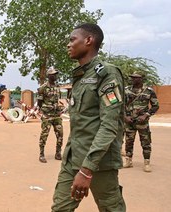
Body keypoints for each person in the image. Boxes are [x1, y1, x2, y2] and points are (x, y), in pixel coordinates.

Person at [51, 23, 126, 211]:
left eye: (72, 40)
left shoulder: (107, 74)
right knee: (60, 208)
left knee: (111, 209)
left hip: (98, 163)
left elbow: (110, 126)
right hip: (73, 158)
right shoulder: (80, 75)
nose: (68, 44)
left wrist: (86, 169)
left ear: (88, 40)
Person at [123, 72, 159, 172]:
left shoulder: (149, 91)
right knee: (129, 142)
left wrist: (146, 115)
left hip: (142, 122)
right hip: (129, 121)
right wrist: (125, 117)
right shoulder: (126, 90)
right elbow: (120, 105)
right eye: (132, 77)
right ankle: (128, 161)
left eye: (136, 78)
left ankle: (147, 162)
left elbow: (155, 106)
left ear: (142, 79)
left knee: (146, 142)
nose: (134, 79)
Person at [37, 67, 64, 162]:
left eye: (56, 74)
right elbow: (39, 102)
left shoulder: (57, 86)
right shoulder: (43, 88)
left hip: (57, 115)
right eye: (53, 74)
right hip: (47, 115)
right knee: (44, 134)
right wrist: (45, 110)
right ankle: (41, 154)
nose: (56, 76)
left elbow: (57, 99)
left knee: (60, 134)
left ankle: (58, 153)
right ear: (49, 76)